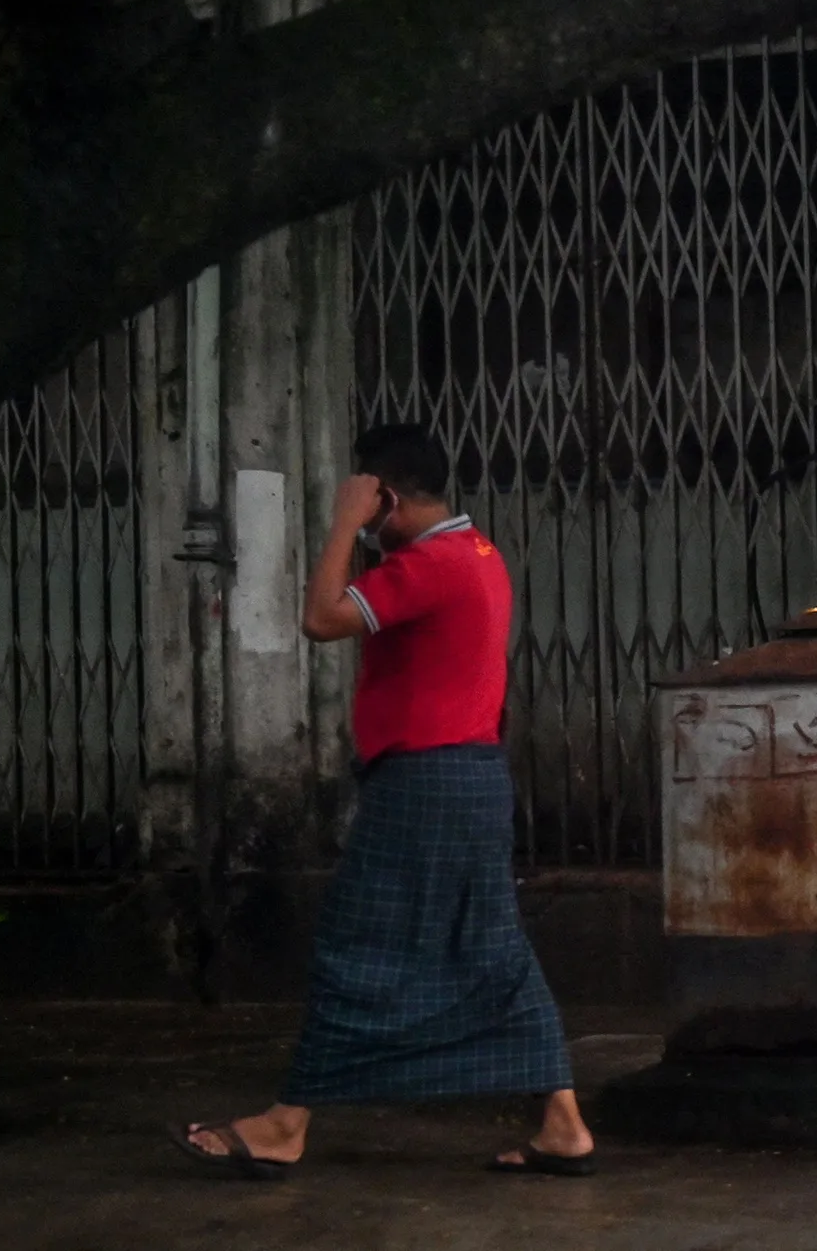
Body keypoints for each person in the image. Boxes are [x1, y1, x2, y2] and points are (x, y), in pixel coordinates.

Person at [170, 424, 594, 1179]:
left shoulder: (430, 565)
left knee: (353, 942)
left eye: (369, 499)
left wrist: (339, 524)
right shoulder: (480, 555)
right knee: (491, 946)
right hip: (469, 776)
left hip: (424, 781)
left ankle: (284, 1123)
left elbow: (322, 618)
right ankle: (563, 1124)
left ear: (386, 495)